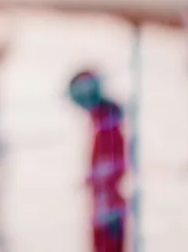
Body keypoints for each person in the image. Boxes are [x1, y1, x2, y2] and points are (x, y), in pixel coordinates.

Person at [67, 71, 126, 252]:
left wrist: (95, 177)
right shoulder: (100, 120)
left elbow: (112, 165)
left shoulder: (107, 123)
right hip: (102, 205)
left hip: (108, 208)